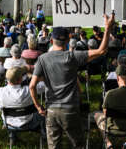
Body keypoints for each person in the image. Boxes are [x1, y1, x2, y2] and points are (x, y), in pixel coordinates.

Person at [29, 13, 115, 149]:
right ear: (67, 42)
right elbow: (102, 50)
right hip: (71, 109)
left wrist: (38, 107)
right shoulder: (73, 56)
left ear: (51, 41)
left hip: (51, 109)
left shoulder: (42, 59)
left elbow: (32, 86)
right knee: (78, 144)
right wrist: (107, 27)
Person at [0, 66, 45, 145]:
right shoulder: (30, 89)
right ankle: (44, 133)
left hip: (9, 124)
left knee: (9, 117)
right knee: (44, 112)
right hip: (30, 122)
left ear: (6, 79)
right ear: (20, 79)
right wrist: (32, 75)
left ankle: (12, 137)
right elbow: (45, 84)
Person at [94, 65, 126, 149]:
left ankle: (108, 143)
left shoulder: (110, 94)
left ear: (117, 78)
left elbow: (105, 113)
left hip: (113, 127)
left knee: (96, 115)